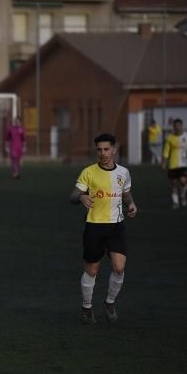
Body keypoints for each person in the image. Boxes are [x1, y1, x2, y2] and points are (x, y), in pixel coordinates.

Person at [69, 133, 137, 325]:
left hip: (117, 226)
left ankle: (110, 302)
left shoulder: (123, 173)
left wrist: (131, 203)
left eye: (106, 149)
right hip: (94, 227)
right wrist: (82, 197)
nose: (102, 153)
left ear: (114, 150)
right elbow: (73, 195)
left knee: (119, 267)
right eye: (99, 149)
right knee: (92, 269)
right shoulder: (88, 172)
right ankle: (87, 307)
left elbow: (126, 193)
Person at [161, 118, 187, 209]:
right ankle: (176, 203)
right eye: (175, 126)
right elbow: (166, 151)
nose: (177, 128)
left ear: (182, 126)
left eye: (179, 126)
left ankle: (183, 195)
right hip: (172, 164)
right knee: (173, 183)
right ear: (173, 127)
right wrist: (164, 162)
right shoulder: (170, 138)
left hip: (183, 164)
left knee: (183, 181)